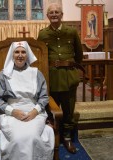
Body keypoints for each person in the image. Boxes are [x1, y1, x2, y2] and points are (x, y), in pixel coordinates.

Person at [0, 41, 54, 160]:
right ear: (12, 55)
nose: (20, 55)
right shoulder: (3, 75)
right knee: (18, 138)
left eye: (23, 52)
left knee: (33, 136)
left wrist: (35, 111)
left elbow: (44, 97)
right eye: (17, 52)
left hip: (34, 112)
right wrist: (13, 112)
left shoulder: (36, 73)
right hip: (10, 113)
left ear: (27, 54)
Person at [38, 3, 83, 154]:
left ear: (62, 15)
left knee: (69, 110)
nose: (54, 14)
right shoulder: (43, 34)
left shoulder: (71, 32)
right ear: (48, 16)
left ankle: (67, 137)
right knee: (51, 109)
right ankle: (53, 135)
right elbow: (40, 56)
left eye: (57, 12)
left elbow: (79, 54)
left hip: (69, 77)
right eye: (51, 12)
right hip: (51, 78)